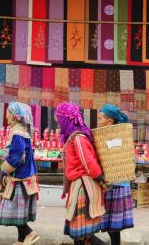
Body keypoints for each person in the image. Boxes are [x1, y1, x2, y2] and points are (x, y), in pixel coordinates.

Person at [55, 102, 105, 245]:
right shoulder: (75, 137)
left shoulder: (78, 138)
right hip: (81, 185)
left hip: (84, 187)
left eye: (59, 121)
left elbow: (87, 160)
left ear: (66, 120)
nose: (59, 125)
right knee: (84, 236)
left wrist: (99, 178)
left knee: (82, 235)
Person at [0, 102, 39, 245]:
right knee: (18, 212)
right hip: (24, 177)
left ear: (14, 117)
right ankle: (21, 240)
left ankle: (29, 233)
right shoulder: (21, 131)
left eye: (8, 112)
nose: (6, 114)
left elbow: (18, 157)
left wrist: (4, 169)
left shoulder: (17, 132)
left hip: (20, 178)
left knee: (13, 210)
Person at [97, 104, 134, 245]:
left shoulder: (114, 136)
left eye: (100, 119)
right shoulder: (111, 135)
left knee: (113, 226)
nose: (98, 122)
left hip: (116, 184)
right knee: (111, 224)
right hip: (114, 183)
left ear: (110, 121)